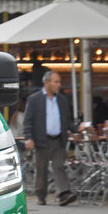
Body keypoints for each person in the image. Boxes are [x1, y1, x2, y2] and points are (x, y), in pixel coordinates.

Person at [23, 70, 76, 206]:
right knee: (41, 169)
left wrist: (77, 129)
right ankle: (41, 195)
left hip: (58, 140)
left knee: (59, 166)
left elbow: (67, 121)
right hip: (42, 140)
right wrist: (28, 137)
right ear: (47, 83)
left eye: (59, 82)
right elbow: (28, 121)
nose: (59, 85)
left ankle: (64, 193)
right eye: (56, 82)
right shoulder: (34, 99)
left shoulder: (62, 100)